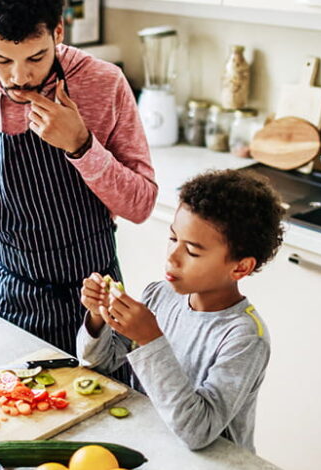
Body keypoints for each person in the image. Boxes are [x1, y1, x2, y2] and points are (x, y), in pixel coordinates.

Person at [0, 0, 157, 359]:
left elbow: (141, 205)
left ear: (58, 33)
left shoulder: (104, 83)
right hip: (13, 297)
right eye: (2, 60)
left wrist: (81, 145)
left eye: (35, 58)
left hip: (96, 302)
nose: (19, 77)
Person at [77, 169, 285, 451]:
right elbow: (99, 365)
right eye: (174, 239)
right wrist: (98, 317)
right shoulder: (159, 296)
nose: (172, 258)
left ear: (240, 267)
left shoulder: (245, 338)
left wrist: (151, 339)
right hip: (153, 447)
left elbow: (198, 431)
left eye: (193, 251)